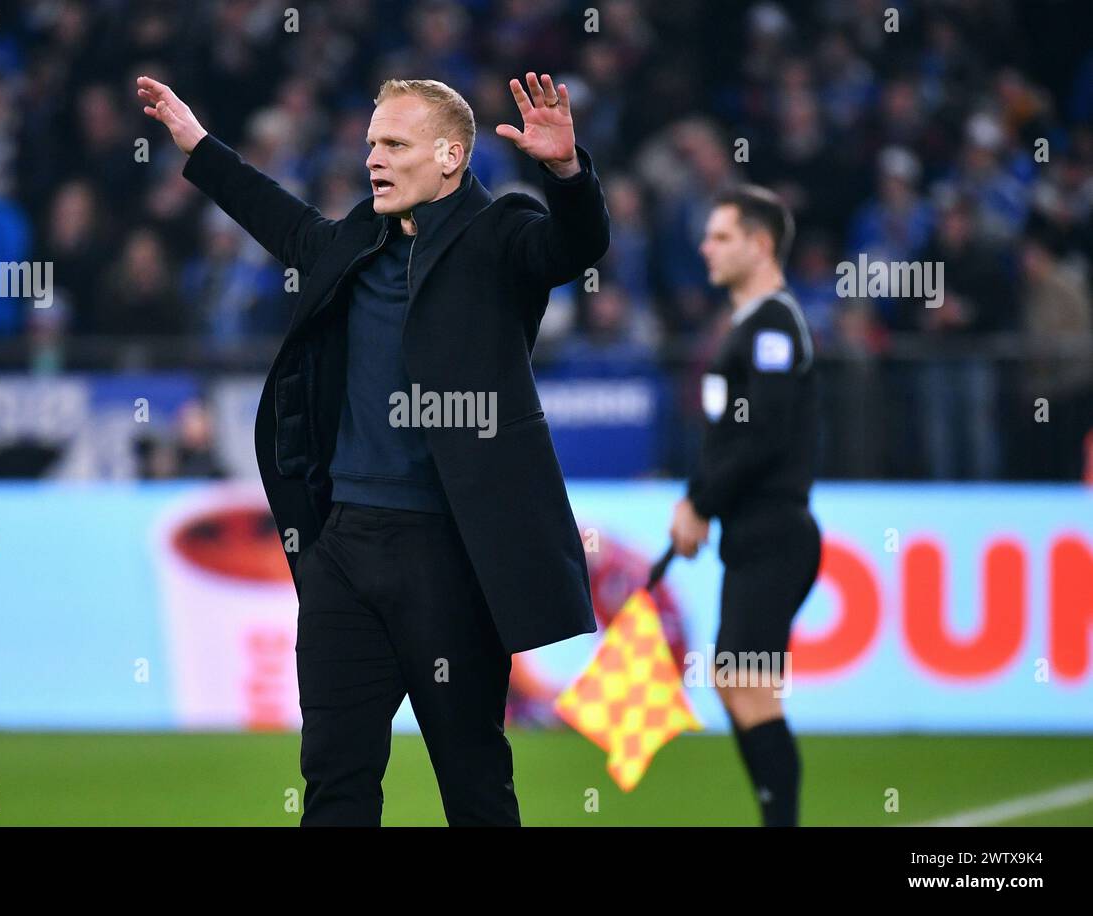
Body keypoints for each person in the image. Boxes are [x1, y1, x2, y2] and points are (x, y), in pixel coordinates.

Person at [138, 72, 609, 826]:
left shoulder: (501, 236)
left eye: (394, 143)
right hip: (345, 551)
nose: (373, 159)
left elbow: (574, 245)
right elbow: (278, 218)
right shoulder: (360, 239)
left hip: (451, 555)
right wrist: (197, 144)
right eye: (370, 144)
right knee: (335, 780)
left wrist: (566, 172)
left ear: (451, 156)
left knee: (474, 783)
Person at [668, 185, 820, 827]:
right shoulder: (752, 325)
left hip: (773, 533)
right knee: (740, 683)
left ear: (761, 246)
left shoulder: (773, 325)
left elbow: (765, 432)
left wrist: (698, 502)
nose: (706, 246)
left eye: (722, 236)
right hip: (756, 533)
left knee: (747, 684)